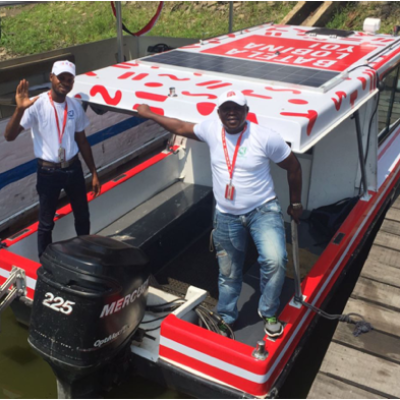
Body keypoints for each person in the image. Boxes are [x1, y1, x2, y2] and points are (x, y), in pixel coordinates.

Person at [137, 90, 302, 338]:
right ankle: (225, 317)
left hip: (263, 210)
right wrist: (148, 114)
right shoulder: (211, 129)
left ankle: (268, 310)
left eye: (237, 108)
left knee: (275, 260)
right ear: (219, 113)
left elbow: (293, 166)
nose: (231, 113)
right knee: (229, 273)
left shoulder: (265, 137)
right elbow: (180, 126)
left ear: (247, 112)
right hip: (226, 215)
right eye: (226, 108)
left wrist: (296, 203)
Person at [4, 60, 101, 258]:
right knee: (46, 223)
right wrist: (19, 109)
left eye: (69, 79)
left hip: (73, 168)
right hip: (48, 172)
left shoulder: (74, 105)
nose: (65, 82)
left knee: (83, 216)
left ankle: (84, 254)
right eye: (61, 78)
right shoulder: (35, 104)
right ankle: (45, 262)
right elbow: (9, 136)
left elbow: (82, 141)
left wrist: (93, 172)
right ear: (51, 77)